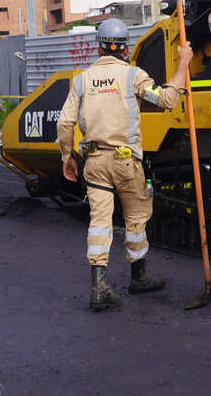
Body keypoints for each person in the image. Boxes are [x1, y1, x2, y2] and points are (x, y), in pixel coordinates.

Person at [57, 18, 192, 310]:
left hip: (93, 161)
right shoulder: (133, 75)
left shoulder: (82, 79)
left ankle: (98, 288)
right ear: (125, 47)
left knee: (100, 221)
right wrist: (183, 63)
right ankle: (139, 276)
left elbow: (65, 121)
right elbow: (167, 100)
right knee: (135, 217)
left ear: (100, 47)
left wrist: (67, 156)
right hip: (125, 161)